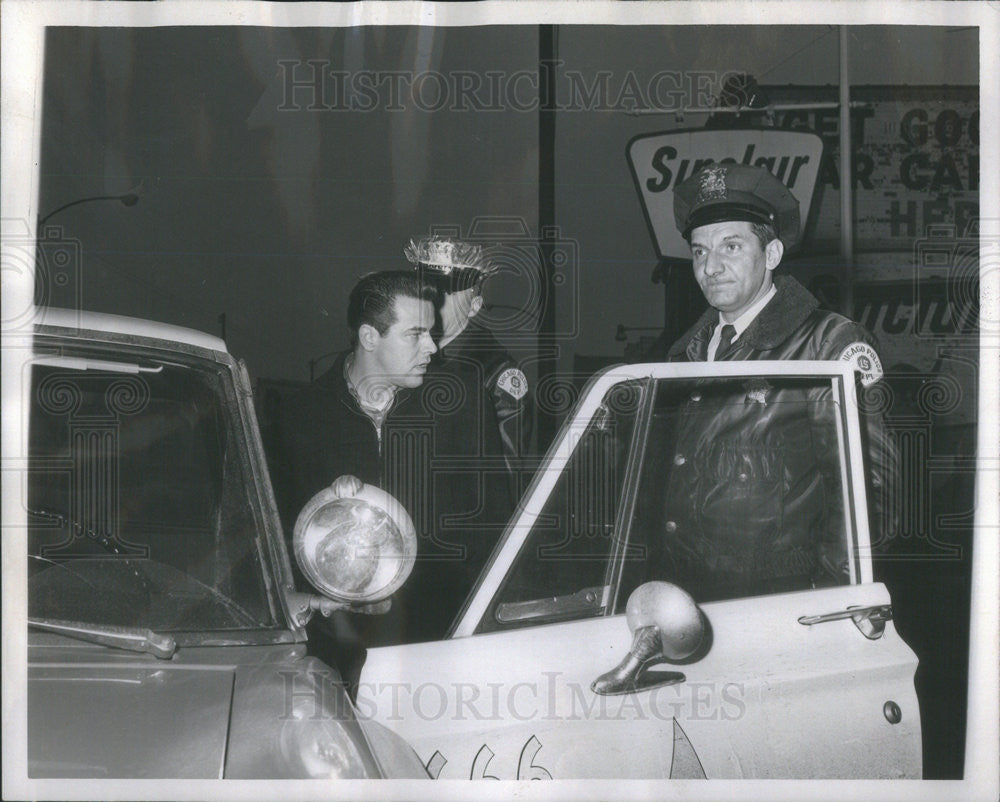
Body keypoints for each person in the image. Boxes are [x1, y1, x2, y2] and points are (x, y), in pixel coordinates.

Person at [651, 163, 894, 599]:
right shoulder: (684, 351)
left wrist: (833, 598)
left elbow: (869, 491)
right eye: (700, 251)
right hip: (684, 593)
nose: (712, 266)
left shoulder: (829, 343)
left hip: (780, 598)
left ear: (773, 255)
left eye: (731, 246)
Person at [271, 270, 438, 673]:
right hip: (326, 653)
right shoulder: (298, 417)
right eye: (415, 334)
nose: (432, 347)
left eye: (431, 333)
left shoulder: (449, 413)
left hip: (427, 650)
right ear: (369, 338)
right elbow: (264, 534)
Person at [391, 235, 531, 641]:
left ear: (475, 304)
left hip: (457, 573)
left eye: (449, 292)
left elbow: (505, 489)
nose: (434, 300)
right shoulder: (407, 356)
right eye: (428, 288)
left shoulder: (496, 373)